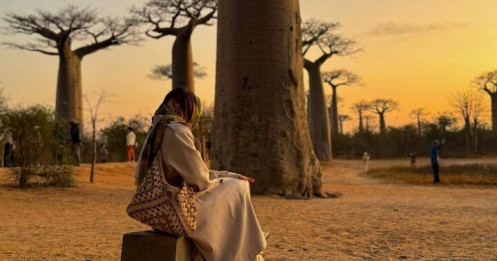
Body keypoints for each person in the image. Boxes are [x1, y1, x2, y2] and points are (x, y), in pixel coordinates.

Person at [134, 87, 266, 261]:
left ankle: (243, 243)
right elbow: (200, 179)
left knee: (232, 183)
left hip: (157, 210)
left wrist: (227, 175)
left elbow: (192, 171)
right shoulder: (176, 130)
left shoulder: (157, 128)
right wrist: (228, 179)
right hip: (174, 208)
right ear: (188, 109)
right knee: (239, 187)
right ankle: (241, 250)